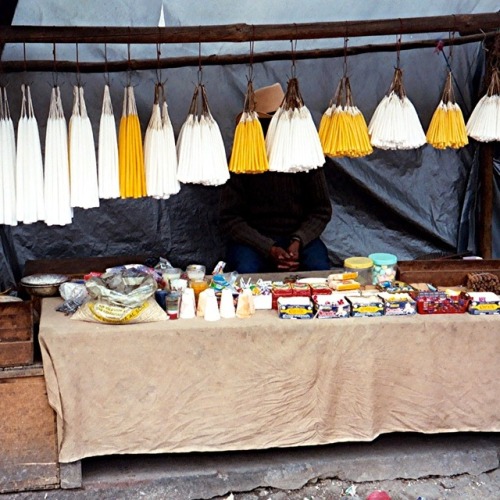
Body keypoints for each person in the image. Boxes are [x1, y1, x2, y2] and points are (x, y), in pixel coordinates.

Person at [219, 168, 333, 273]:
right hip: (253, 239)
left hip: (299, 236)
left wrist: (299, 240)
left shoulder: (307, 157)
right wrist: (268, 248)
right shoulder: (243, 157)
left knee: (319, 268)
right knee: (246, 270)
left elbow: (321, 210)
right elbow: (230, 218)